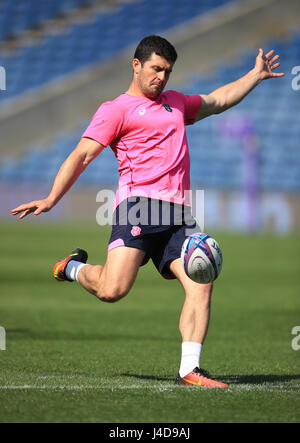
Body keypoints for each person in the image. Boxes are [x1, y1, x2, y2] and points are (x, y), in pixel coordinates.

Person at [11, 35, 284, 388]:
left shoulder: (175, 103)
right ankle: (73, 267)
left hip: (179, 214)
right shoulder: (115, 110)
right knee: (113, 290)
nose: (162, 77)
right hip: (139, 209)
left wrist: (254, 75)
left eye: (167, 71)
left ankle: (190, 370)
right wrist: (51, 198)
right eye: (156, 69)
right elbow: (81, 155)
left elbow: (217, 100)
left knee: (202, 283)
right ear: (136, 65)